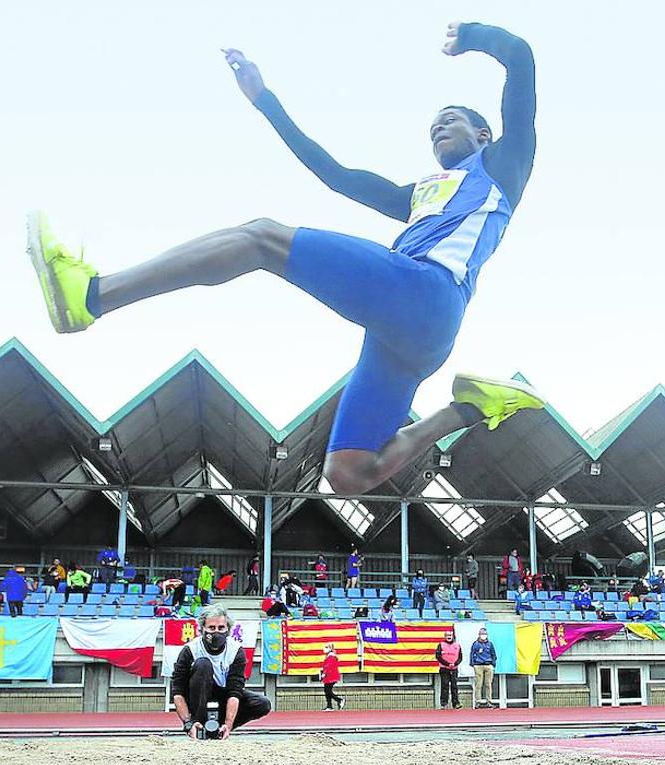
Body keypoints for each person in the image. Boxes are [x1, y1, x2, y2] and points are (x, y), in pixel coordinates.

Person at [28, 22, 543, 499]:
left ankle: (93, 296)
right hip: (407, 333)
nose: (437, 129)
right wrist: (265, 102)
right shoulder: (419, 194)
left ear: (483, 135)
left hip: (428, 291)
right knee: (347, 474)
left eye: (449, 120)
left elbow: (520, 57)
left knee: (261, 238)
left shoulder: (503, 165)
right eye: (431, 126)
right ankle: (470, 408)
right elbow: (336, 175)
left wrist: (469, 36)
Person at [169, 605, 271, 739]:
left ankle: (221, 729)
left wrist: (228, 724)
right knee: (203, 664)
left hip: (224, 693)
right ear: (202, 629)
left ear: (227, 629)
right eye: (211, 628)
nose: (216, 632)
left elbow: (235, 691)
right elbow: (177, 691)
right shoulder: (190, 650)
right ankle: (198, 724)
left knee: (262, 703)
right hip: (196, 695)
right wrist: (188, 722)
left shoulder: (236, 651)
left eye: (221, 628)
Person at [435, 628, 463, 709]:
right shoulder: (441, 645)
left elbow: (460, 657)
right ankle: (444, 704)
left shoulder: (457, 645)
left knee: (454, 686)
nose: (449, 637)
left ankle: (456, 703)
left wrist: (455, 663)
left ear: (452, 636)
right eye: (447, 635)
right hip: (444, 669)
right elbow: (438, 656)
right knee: (445, 686)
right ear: (445, 636)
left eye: (450, 635)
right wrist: (448, 664)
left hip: (454, 669)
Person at [470, 626, 497, 708]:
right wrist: (473, 664)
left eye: (484, 634)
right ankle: (478, 701)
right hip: (478, 665)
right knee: (479, 684)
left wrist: (493, 663)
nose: (483, 635)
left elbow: (493, 654)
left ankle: (489, 701)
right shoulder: (475, 644)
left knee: (488, 684)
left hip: (488, 665)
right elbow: (472, 654)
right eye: (482, 634)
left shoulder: (490, 644)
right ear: (479, 635)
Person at [320, 643, 346, 711]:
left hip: (331, 676)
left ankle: (339, 700)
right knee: (327, 691)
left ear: (330, 649)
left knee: (327, 691)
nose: (324, 649)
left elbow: (328, 667)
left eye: (326, 647)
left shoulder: (331, 657)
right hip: (329, 676)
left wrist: (324, 674)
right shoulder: (329, 656)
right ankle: (329, 706)